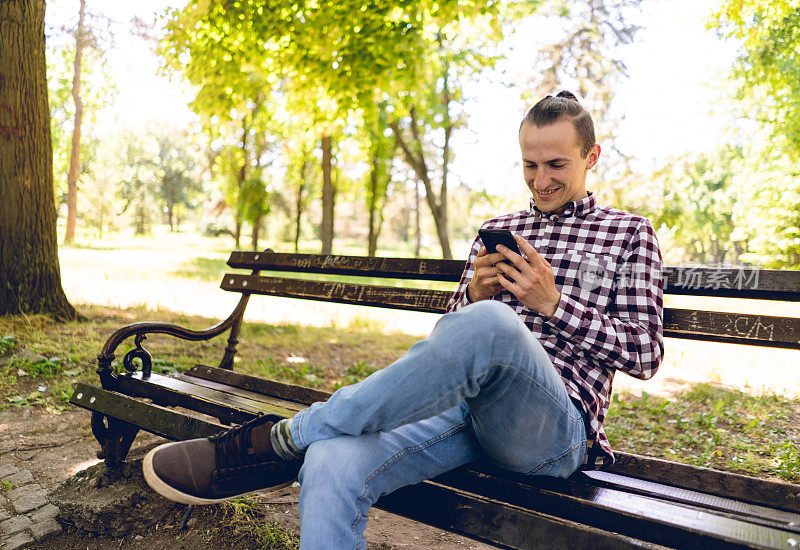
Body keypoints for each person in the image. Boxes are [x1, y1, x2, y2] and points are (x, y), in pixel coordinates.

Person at [143, 90, 664, 549]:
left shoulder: (629, 235)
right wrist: (476, 295)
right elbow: (451, 342)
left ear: (591, 157)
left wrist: (554, 304)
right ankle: (305, 441)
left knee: (491, 326)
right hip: (466, 415)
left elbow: (645, 355)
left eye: (556, 165)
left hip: (554, 432)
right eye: (530, 165)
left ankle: (283, 437)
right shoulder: (498, 228)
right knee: (328, 463)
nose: (541, 180)